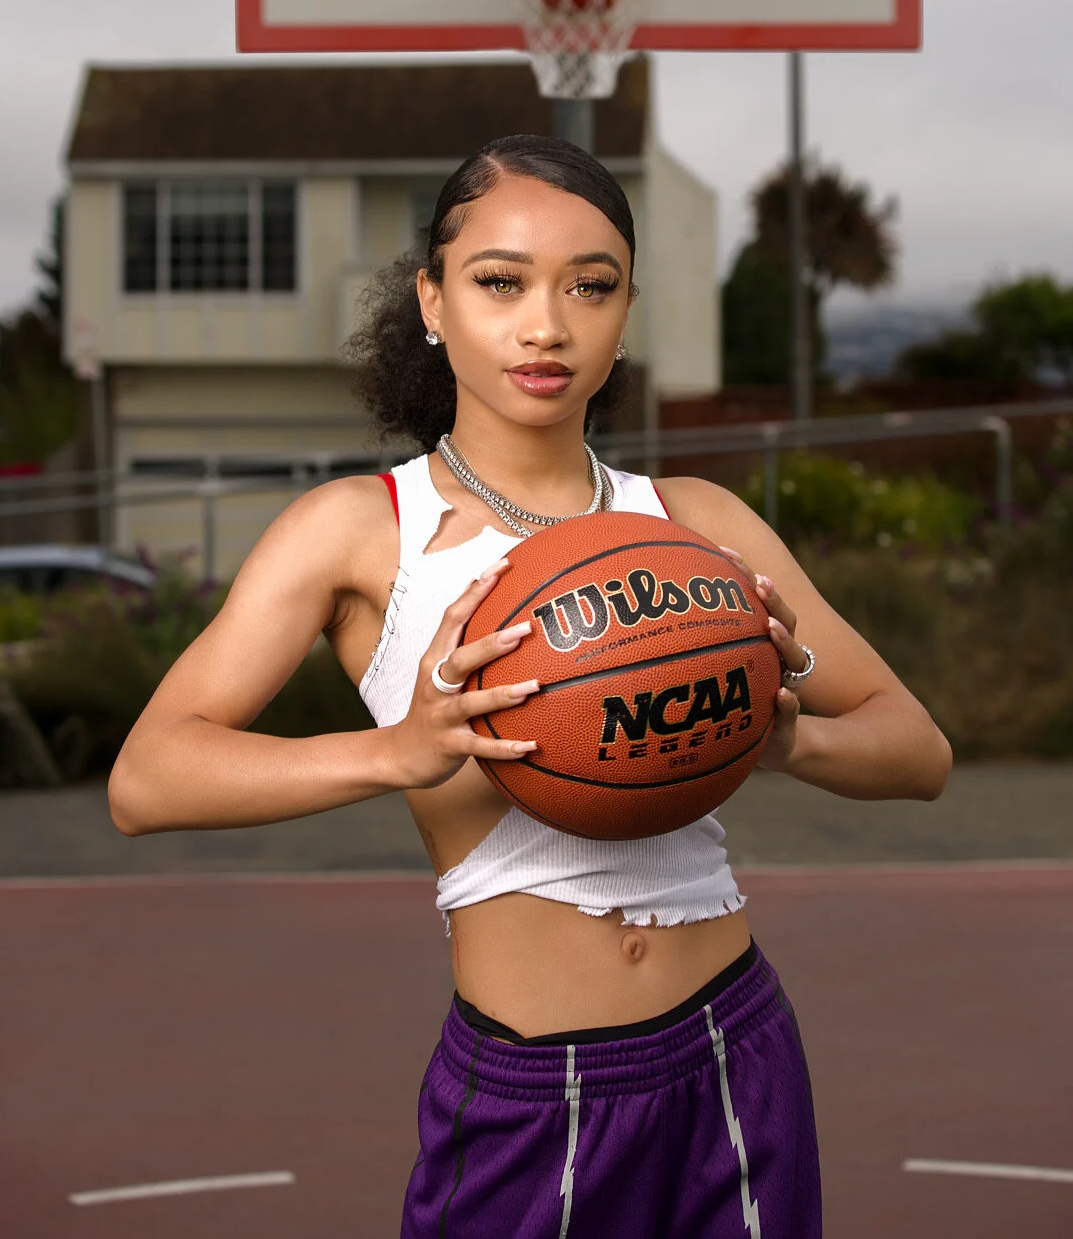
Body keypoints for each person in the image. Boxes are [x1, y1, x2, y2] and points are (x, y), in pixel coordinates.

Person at [109, 134, 952, 1238]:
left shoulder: (695, 526)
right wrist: (397, 750)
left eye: (589, 287)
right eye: (500, 282)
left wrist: (782, 739)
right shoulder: (364, 534)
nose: (546, 324)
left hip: (735, 1046)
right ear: (433, 299)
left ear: (626, 313)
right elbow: (147, 777)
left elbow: (919, 749)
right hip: (531, 1089)